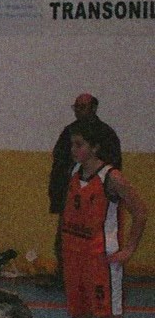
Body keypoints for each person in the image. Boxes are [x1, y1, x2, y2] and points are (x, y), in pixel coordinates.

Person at [55, 118, 146, 318]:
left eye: (79, 144)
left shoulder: (111, 177)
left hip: (101, 260)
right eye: (72, 144)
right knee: (79, 314)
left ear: (94, 147)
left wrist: (129, 249)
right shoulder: (74, 173)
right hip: (75, 256)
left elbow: (140, 211)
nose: (74, 150)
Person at [48, 94, 123, 281]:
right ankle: (64, 276)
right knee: (65, 236)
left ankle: (95, 276)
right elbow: (58, 162)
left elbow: (113, 164)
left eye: (82, 107)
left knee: (92, 239)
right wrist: (56, 193)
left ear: (94, 108)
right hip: (70, 194)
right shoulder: (69, 131)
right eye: (76, 107)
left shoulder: (106, 134)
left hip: (96, 197)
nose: (78, 111)